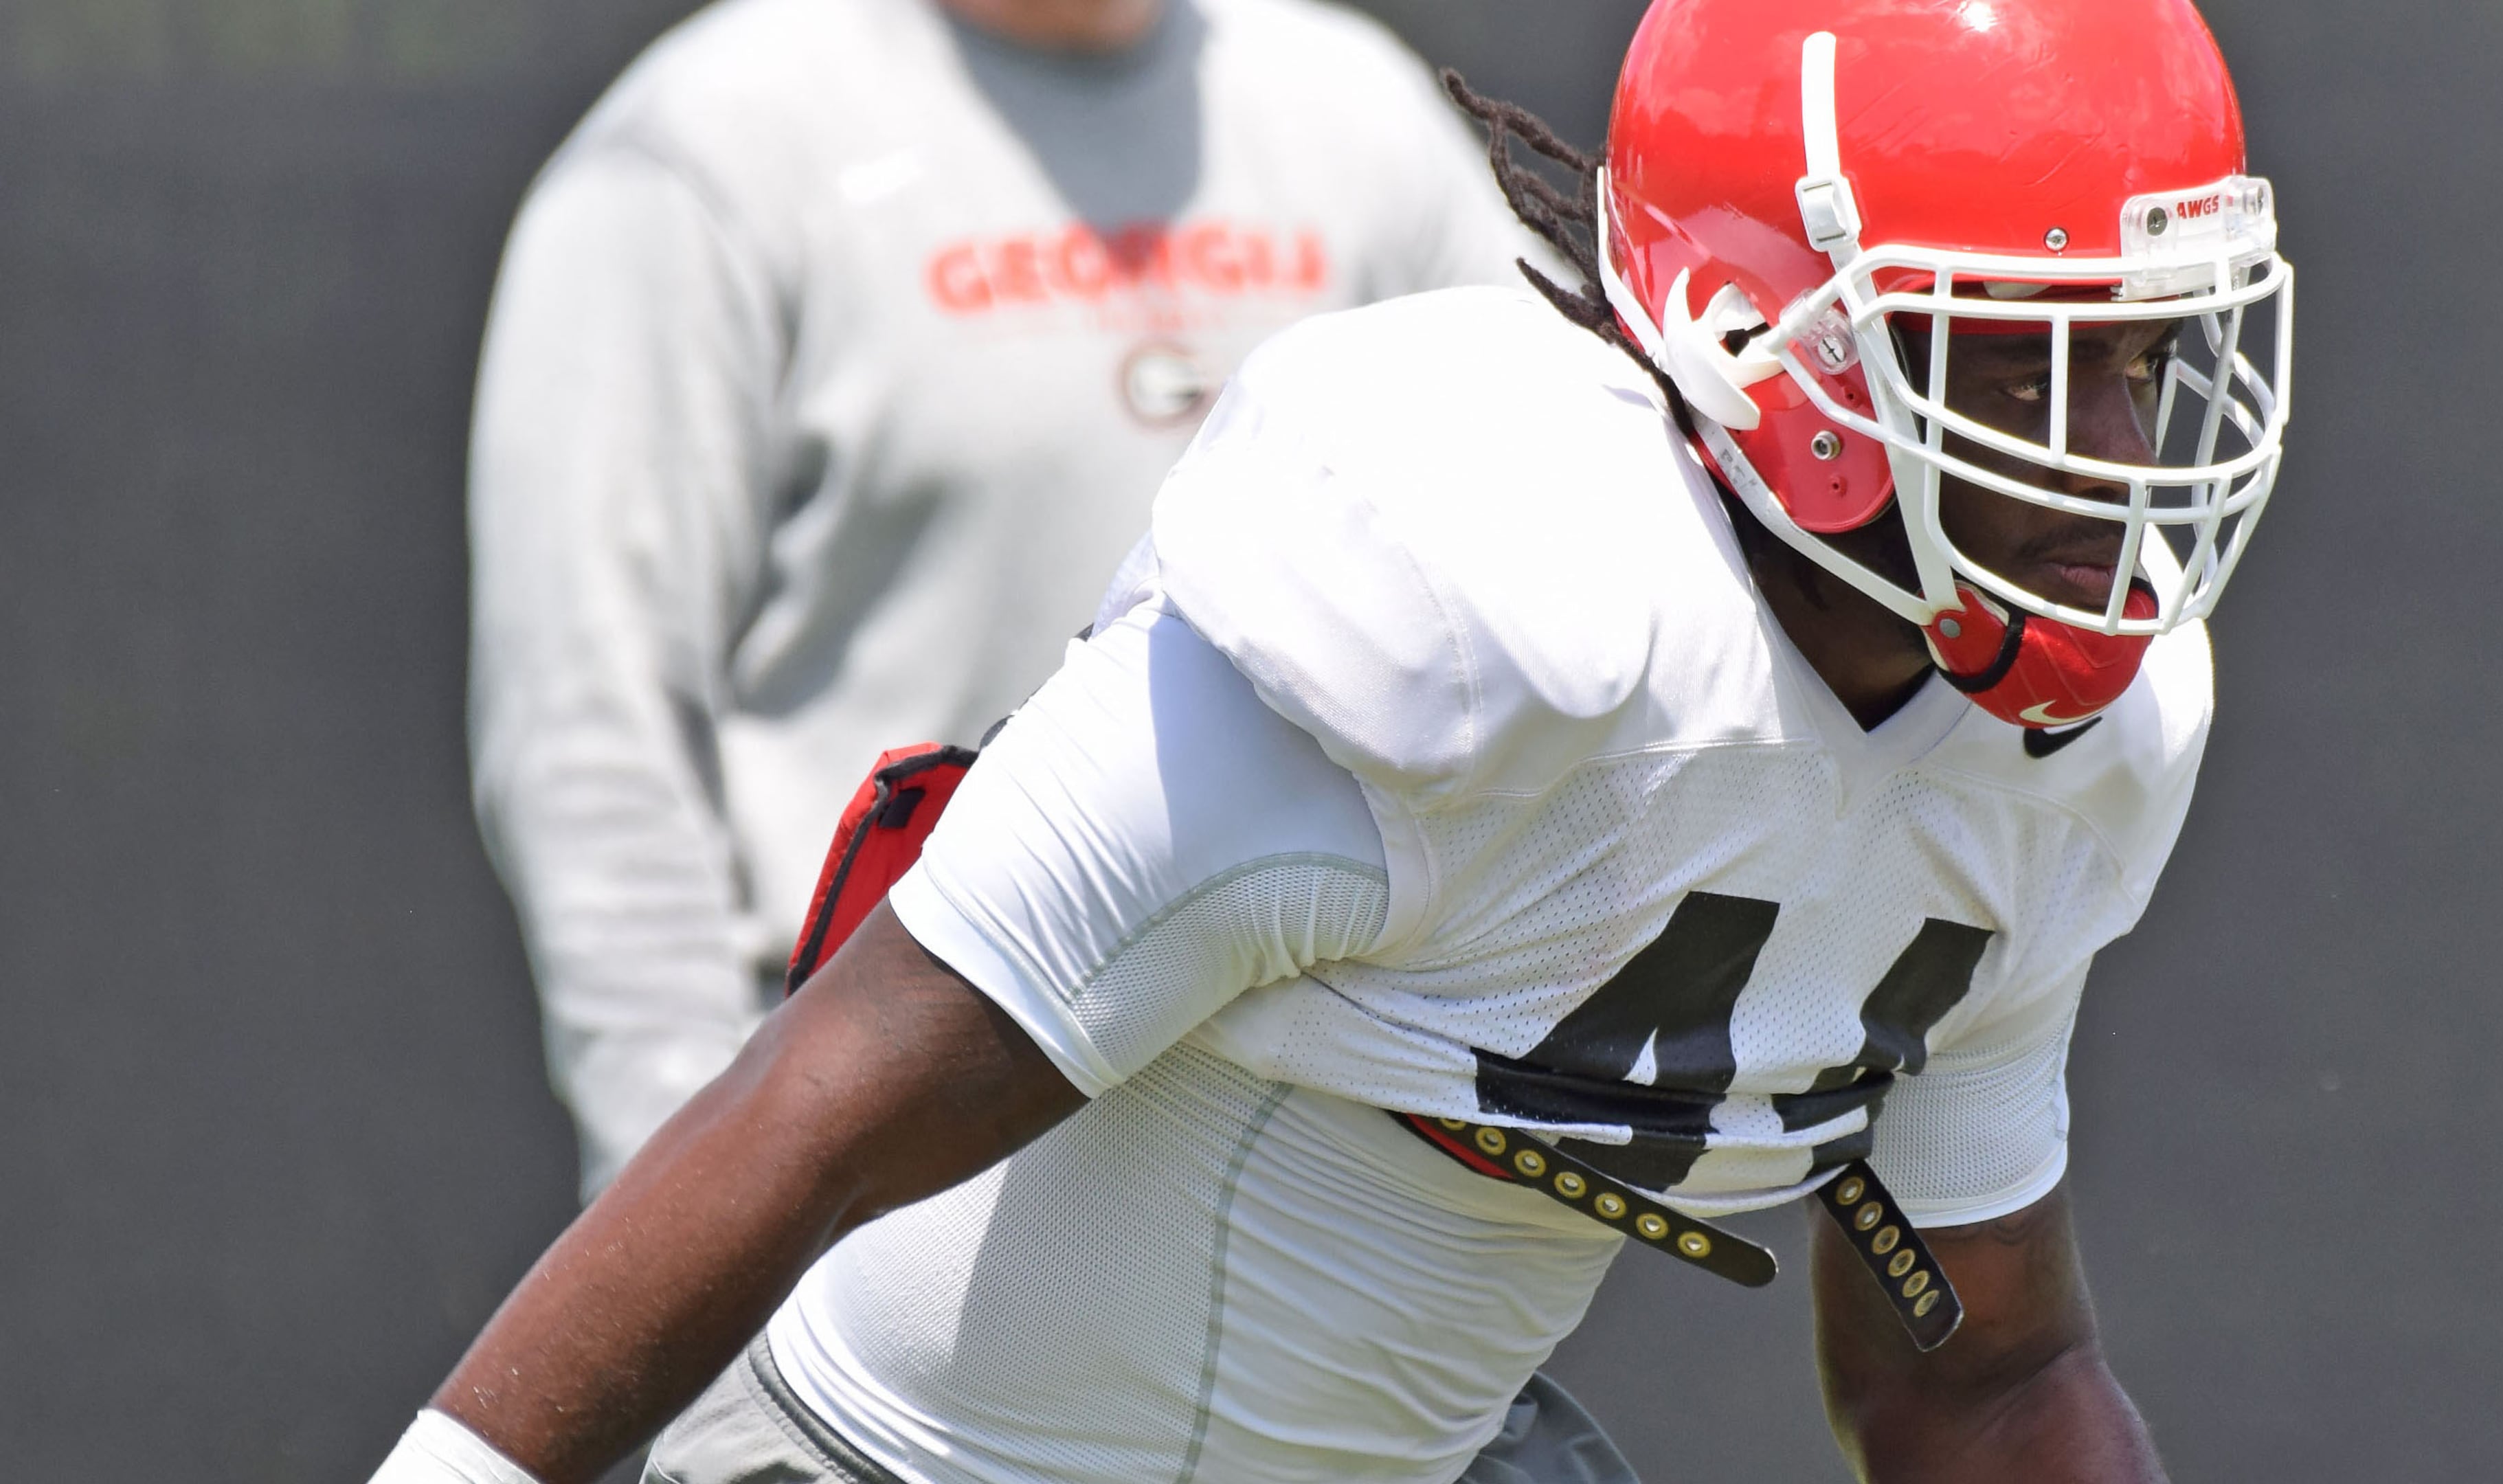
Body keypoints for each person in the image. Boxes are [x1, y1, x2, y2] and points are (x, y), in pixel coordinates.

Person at [391, 0, 2295, 1480]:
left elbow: (1989, 1375)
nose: (2117, 458)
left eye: (2138, 361)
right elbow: (815, 1113)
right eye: (2026, 359)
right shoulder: (1466, 622)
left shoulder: (2066, 756)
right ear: (1755, 334)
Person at [466, 0, 1539, 1202]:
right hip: (883, 1141)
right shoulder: (702, 152)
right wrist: (690, 1189)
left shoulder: (1361, 119)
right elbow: (590, 730)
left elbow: (1573, 555)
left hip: (1317, 1168)